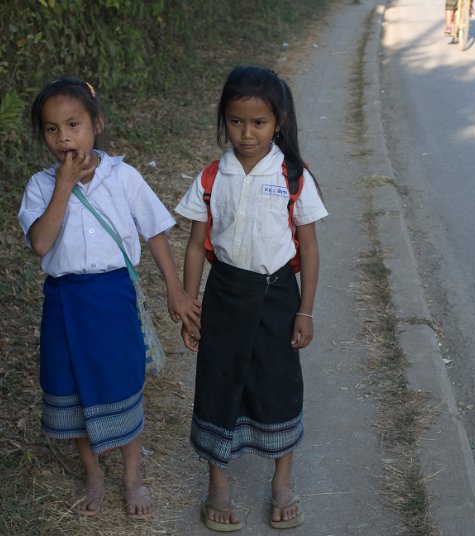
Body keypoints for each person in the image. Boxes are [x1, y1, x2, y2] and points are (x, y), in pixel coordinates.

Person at [18, 76, 200, 519]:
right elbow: (41, 244)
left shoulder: (122, 177)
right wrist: (64, 186)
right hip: (65, 301)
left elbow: (155, 232)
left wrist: (175, 291)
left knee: (122, 380)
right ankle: (93, 473)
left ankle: (132, 475)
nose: (64, 137)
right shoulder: (41, 187)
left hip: (113, 295)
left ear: (96, 124)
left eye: (74, 124)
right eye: (51, 128)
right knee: (73, 383)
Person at [175, 66, 328, 531]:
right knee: (219, 384)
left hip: (278, 296)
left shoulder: (293, 177)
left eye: (258, 123)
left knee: (277, 384)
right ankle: (217, 485)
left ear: (277, 122)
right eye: (237, 121)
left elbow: (310, 247)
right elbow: (196, 245)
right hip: (224, 297)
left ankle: (283, 479)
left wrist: (305, 310)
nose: (247, 133)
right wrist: (188, 302)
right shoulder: (210, 178)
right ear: (225, 119)